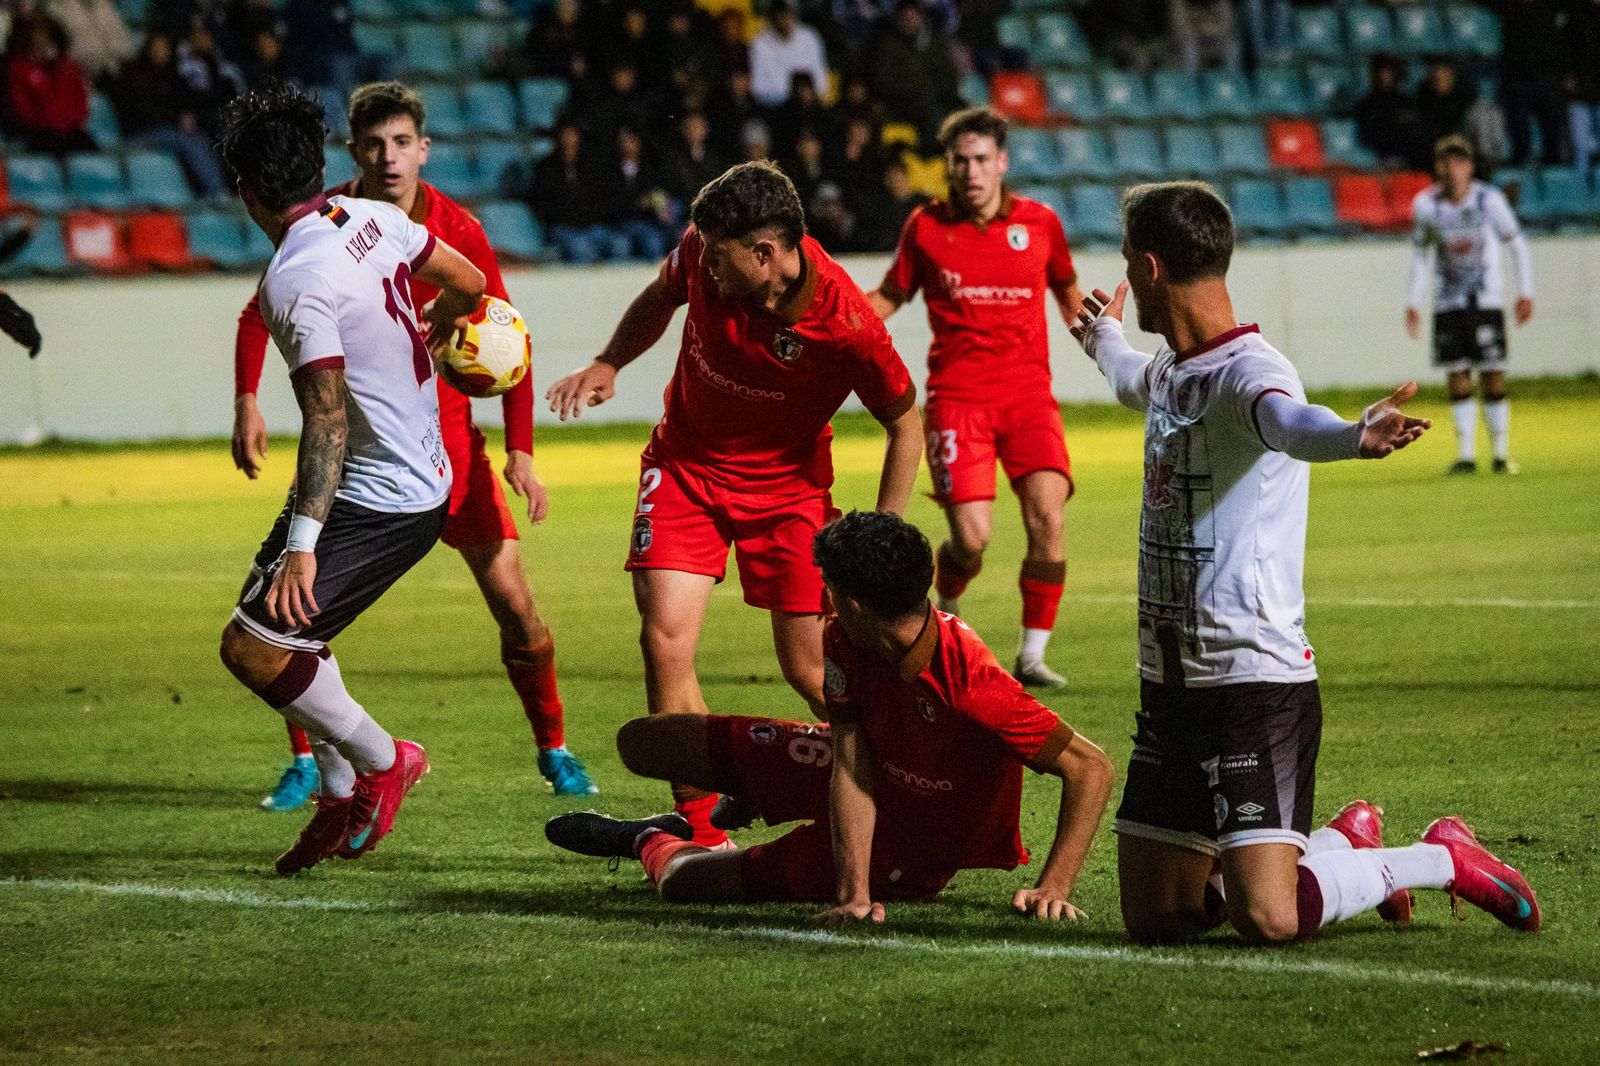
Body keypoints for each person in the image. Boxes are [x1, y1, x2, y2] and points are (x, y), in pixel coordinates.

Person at [1071, 180, 1540, 945]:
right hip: (1170, 689)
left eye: (1128, 258)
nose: (1123, 269)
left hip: (1253, 682)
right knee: (1160, 920)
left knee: (1267, 916)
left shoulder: (1249, 371)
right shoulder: (1171, 371)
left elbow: (1291, 423)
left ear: (1151, 268)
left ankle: (1436, 858)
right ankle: (1337, 845)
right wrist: (1104, 339)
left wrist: (1352, 434)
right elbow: (1129, 375)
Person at [233, 82, 597, 812]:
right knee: (289, 613)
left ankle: (535, 749)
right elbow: (264, 313)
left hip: (419, 461)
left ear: (423, 149)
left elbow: (502, 332)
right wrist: (247, 396)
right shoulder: (356, 215)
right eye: (374, 144)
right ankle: (320, 771)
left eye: (401, 143)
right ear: (349, 152)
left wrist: (518, 449)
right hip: (395, 458)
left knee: (511, 608)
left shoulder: (427, 231)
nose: (389, 157)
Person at [546, 162, 923, 847]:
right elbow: (658, 299)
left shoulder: (848, 327)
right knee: (664, 639)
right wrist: (609, 362)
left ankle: (905, 789)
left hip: (788, 492)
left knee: (810, 669)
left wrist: (882, 535)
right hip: (685, 468)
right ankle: (701, 830)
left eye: (721, 261)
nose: (706, 272)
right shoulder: (701, 248)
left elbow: (906, 422)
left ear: (766, 253)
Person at [544, 511, 1114, 922]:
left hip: (915, 839)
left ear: (856, 602)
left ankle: (652, 841)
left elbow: (1090, 767)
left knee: (687, 883)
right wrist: (852, 892)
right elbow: (852, 761)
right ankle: (717, 816)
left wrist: (1054, 885)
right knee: (646, 743)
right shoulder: (848, 635)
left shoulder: (970, 681)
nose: (825, 597)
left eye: (831, 588)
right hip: (867, 770)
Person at [213, 85, 488, 874]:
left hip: (382, 495)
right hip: (412, 472)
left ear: (248, 193)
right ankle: (336, 793)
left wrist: (303, 543)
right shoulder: (372, 219)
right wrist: (439, 324)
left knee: (254, 650)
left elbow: (327, 422)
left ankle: (381, 760)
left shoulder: (293, 279)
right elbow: (469, 282)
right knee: (291, 635)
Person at [868, 108, 1083, 689]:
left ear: (1002, 162)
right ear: (948, 167)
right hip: (959, 399)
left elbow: (1066, 290)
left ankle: (1033, 655)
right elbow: (891, 293)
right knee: (971, 538)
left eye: (981, 160)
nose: (970, 172)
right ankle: (950, 596)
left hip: (1029, 397)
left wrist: (1100, 339)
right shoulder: (926, 226)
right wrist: (843, 325)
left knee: (1048, 517)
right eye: (959, 161)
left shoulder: (1040, 224)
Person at [1404, 135, 1534, 475]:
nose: (1453, 169)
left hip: (1486, 298)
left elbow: (1516, 244)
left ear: (1470, 167)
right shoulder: (1426, 206)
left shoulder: (1489, 201)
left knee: (1493, 373)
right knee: (1457, 374)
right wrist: (1413, 301)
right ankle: (1465, 455)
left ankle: (1501, 454)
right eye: (1446, 162)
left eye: (1459, 162)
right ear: (1438, 168)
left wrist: (1525, 291)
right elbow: (1420, 255)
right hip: (1448, 301)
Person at [747, 0, 827, 109]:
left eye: (786, 15)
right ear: (771, 18)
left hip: (808, 104)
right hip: (774, 107)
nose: (783, 20)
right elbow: (759, 87)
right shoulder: (759, 44)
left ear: (792, 15)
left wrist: (812, 96)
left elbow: (820, 76)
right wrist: (786, 99)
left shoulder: (810, 37)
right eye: (778, 16)